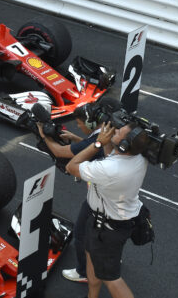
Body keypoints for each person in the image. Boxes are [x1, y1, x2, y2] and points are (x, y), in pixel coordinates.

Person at [38, 98, 121, 284]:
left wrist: (44, 136)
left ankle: (84, 271)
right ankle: (111, 258)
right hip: (117, 197)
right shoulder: (108, 134)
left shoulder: (98, 141)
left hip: (100, 198)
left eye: (78, 124)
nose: (78, 126)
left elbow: (60, 152)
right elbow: (92, 144)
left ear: (91, 122)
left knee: (81, 233)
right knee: (108, 232)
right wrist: (76, 140)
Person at [66, 121, 149, 298]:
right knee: (92, 260)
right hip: (103, 222)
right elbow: (111, 154)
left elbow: (71, 167)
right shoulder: (138, 158)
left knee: (111, 278)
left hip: (108, 230)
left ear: (125, 144)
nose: (115, 130)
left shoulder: (109, 169)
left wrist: (98, 143)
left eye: (119, 132)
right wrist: (109, 141)